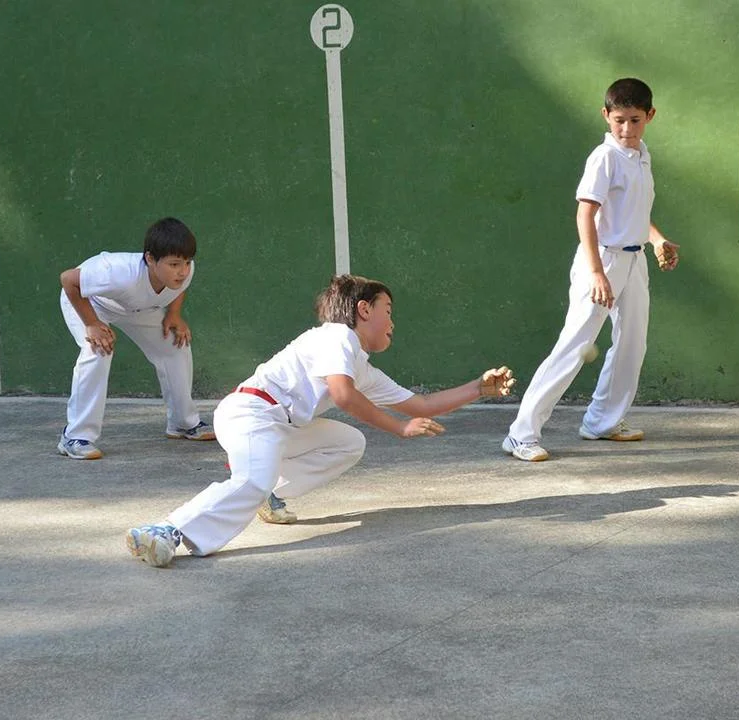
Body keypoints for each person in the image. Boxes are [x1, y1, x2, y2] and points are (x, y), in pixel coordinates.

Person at [125, 274, 516, 568]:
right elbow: (343, 396)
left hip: (283, 427)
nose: (393, 322)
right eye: (388, 311)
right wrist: (399, 428)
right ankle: (168, 530)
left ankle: (269, 492)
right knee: (251, 480)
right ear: (364, 310)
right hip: (250, 413)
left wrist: (478, 388)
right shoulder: (337, 337)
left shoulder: (360, 366)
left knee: (349, 443)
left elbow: (421, 404)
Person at [502, 78, 680, 463]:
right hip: (601, 261)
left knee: (632, 343)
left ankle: (602, 421)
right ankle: (520, 434)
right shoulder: (605, 157)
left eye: (635, 120)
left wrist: (657, 240)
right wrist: (597, 273)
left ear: (650, 116)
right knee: (574, 346)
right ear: (606, 116)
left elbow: (635, 213)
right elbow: (585, 214)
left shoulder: (641, 155)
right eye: (619, 120)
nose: (627, 129)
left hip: (634, 261)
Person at [56, 217, 214, 460]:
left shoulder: (185, 270)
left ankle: (182, 423)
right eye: (174, 264)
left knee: (175, 345)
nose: (183, 271)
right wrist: (92, 323)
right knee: (98, 351)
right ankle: (75, 436)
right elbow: (68, 280)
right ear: (150, 259)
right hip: (91, 303)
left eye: (187, 262)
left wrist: (174, 314)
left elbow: (179, 287)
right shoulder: (117, 272)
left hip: (137, 308)